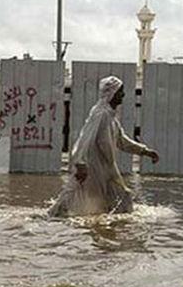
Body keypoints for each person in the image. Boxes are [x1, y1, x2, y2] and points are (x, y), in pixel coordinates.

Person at [48, 76, 159, 217]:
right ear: (112, 93)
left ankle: (109, 229)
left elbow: (121, 141)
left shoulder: (111, 117)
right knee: (74, 197)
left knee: (116, 201)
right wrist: (80, 163)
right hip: (93, 169)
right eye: (121, 91)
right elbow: (85, 139)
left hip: (106, 168)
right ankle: (50, 220)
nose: (123, 95)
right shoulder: (101, 114)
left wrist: (145, 151)